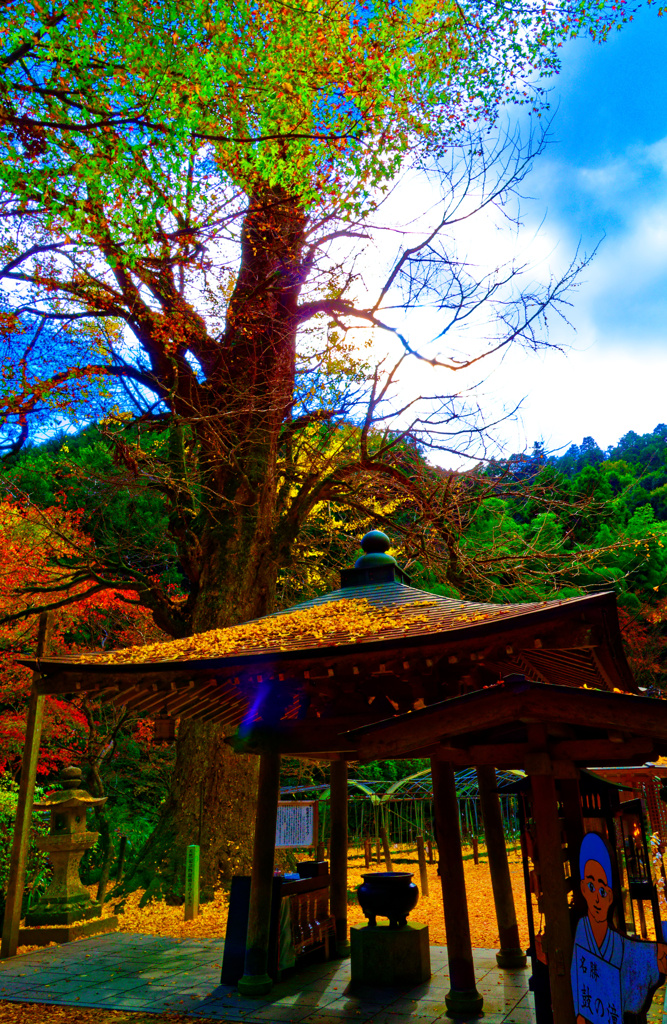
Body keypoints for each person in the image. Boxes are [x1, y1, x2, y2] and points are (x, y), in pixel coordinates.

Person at [572, 832, 667, 1024]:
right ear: (583, 888)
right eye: (591, 887)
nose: (597, 899)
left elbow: (640, 953)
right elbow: (577, 978)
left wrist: (658, 955)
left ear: (610, 896)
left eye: (602, 890)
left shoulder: (618, 942)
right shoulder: (582, 929)